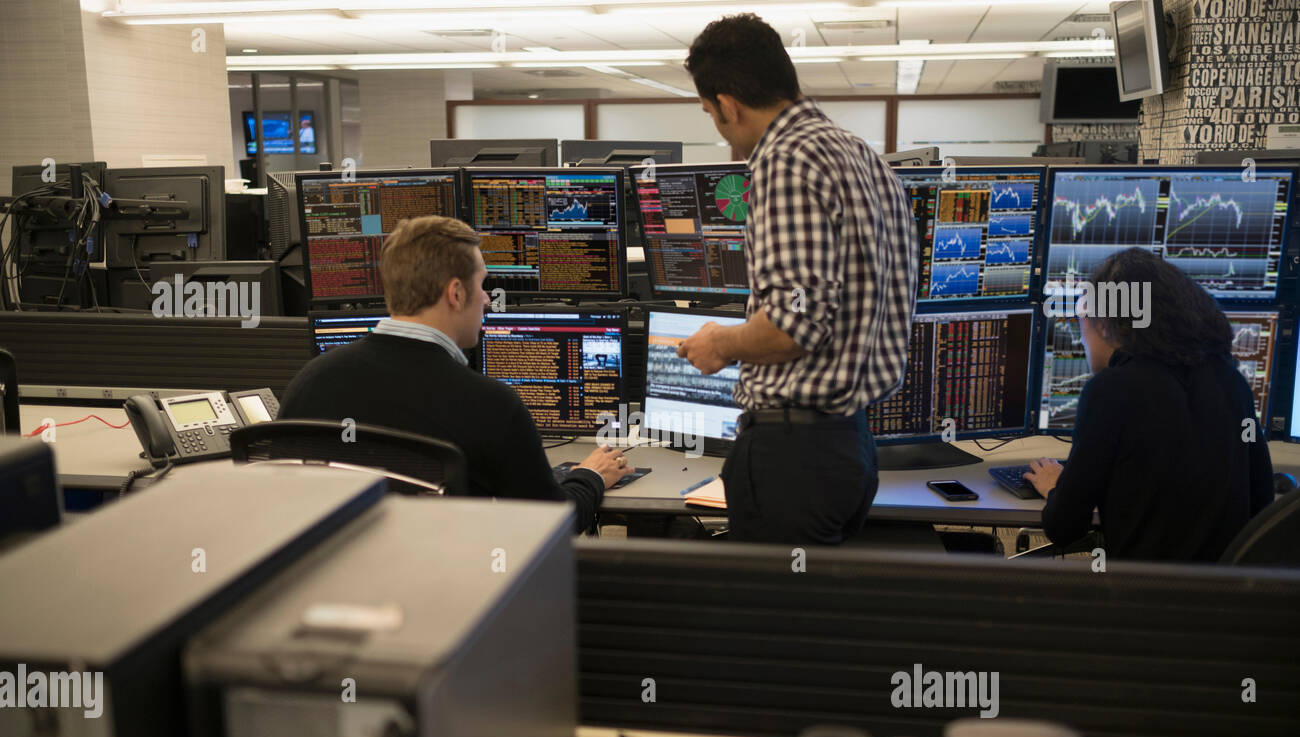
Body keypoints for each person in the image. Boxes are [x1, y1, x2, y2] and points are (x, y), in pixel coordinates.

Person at [675, 14, 918, 545]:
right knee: (807, 621)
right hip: (849, 447)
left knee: (770, 624)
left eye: (710, 114)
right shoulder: (865, 158)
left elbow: (793, 326)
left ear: (728, 105)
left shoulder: (784, 162)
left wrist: (721, 344)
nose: (718, 128)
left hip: (794, 458)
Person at [278, 215, 632, 531]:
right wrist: (590, 476)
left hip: (328, 589)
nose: (488, 300)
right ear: (457, 293)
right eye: (482, 285)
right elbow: (549, 523)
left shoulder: (309, 381)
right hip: (452, 593)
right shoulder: (491, 405)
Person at [1025, 247, 1273, 561]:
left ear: (1104, 324)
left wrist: (1055, 487)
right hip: (1221, 600)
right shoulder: (1231, 381)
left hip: (1142, 601)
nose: (1081, 337)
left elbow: (1064, 527)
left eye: (1081, 320)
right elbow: (1262, 500)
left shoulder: (1111, 390)